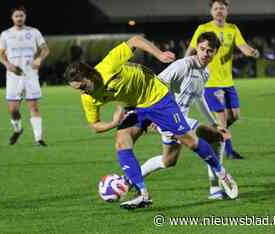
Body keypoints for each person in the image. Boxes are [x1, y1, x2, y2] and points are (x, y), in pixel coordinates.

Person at [64, 35, 238, 210]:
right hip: (136, 106)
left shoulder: (108, 64)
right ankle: (142, 194)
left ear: (90, 75)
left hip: (157, 97)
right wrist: (113, 123)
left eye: (82, 87)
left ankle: (221, 173)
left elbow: (134, 41)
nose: (82, 93)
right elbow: (95, 125)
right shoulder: (88, 98)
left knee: (190, 142)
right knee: (122, 141)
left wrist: (159, 54)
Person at [139, 32, 231, 200]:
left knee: (168, 161)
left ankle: (129, 179)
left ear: (215, 52)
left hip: (179, 122)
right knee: (217, 138)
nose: (205, 53)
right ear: (196, 47)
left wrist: (214, 122)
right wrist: (150, 116)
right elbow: (155, 85)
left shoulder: (205, 73)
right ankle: (216, 189)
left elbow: (199, 97)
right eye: (202, 49)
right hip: (168, 118)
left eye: (209, 51)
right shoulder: (182, 66)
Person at [185, 0, 260, 159]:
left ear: (227, 11)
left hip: (228, 82)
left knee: (234, 116)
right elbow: (191, 49)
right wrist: (185, 68)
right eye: (216, 8)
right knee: (221, 117)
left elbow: (243, 46)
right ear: (211, 11)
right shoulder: (203, 29)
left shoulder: (232, 29)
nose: (219, 11)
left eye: (222, 8)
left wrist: (251, 52)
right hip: (210, 83)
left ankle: (211, 132)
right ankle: (228, 151)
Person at [0, 6, 49, 146]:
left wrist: (39, 59)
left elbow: (45, 49)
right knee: (14, 110)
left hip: (30, 75)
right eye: (16, 16)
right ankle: (18, 129)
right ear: (12, 18)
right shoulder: (6, 34)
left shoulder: (33, 32)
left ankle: (38, 139)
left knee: (34, 107)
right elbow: (0, 55)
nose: (19, 18)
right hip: (13, 76)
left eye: (21, 15)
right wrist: (7, 65)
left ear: (25, 17)